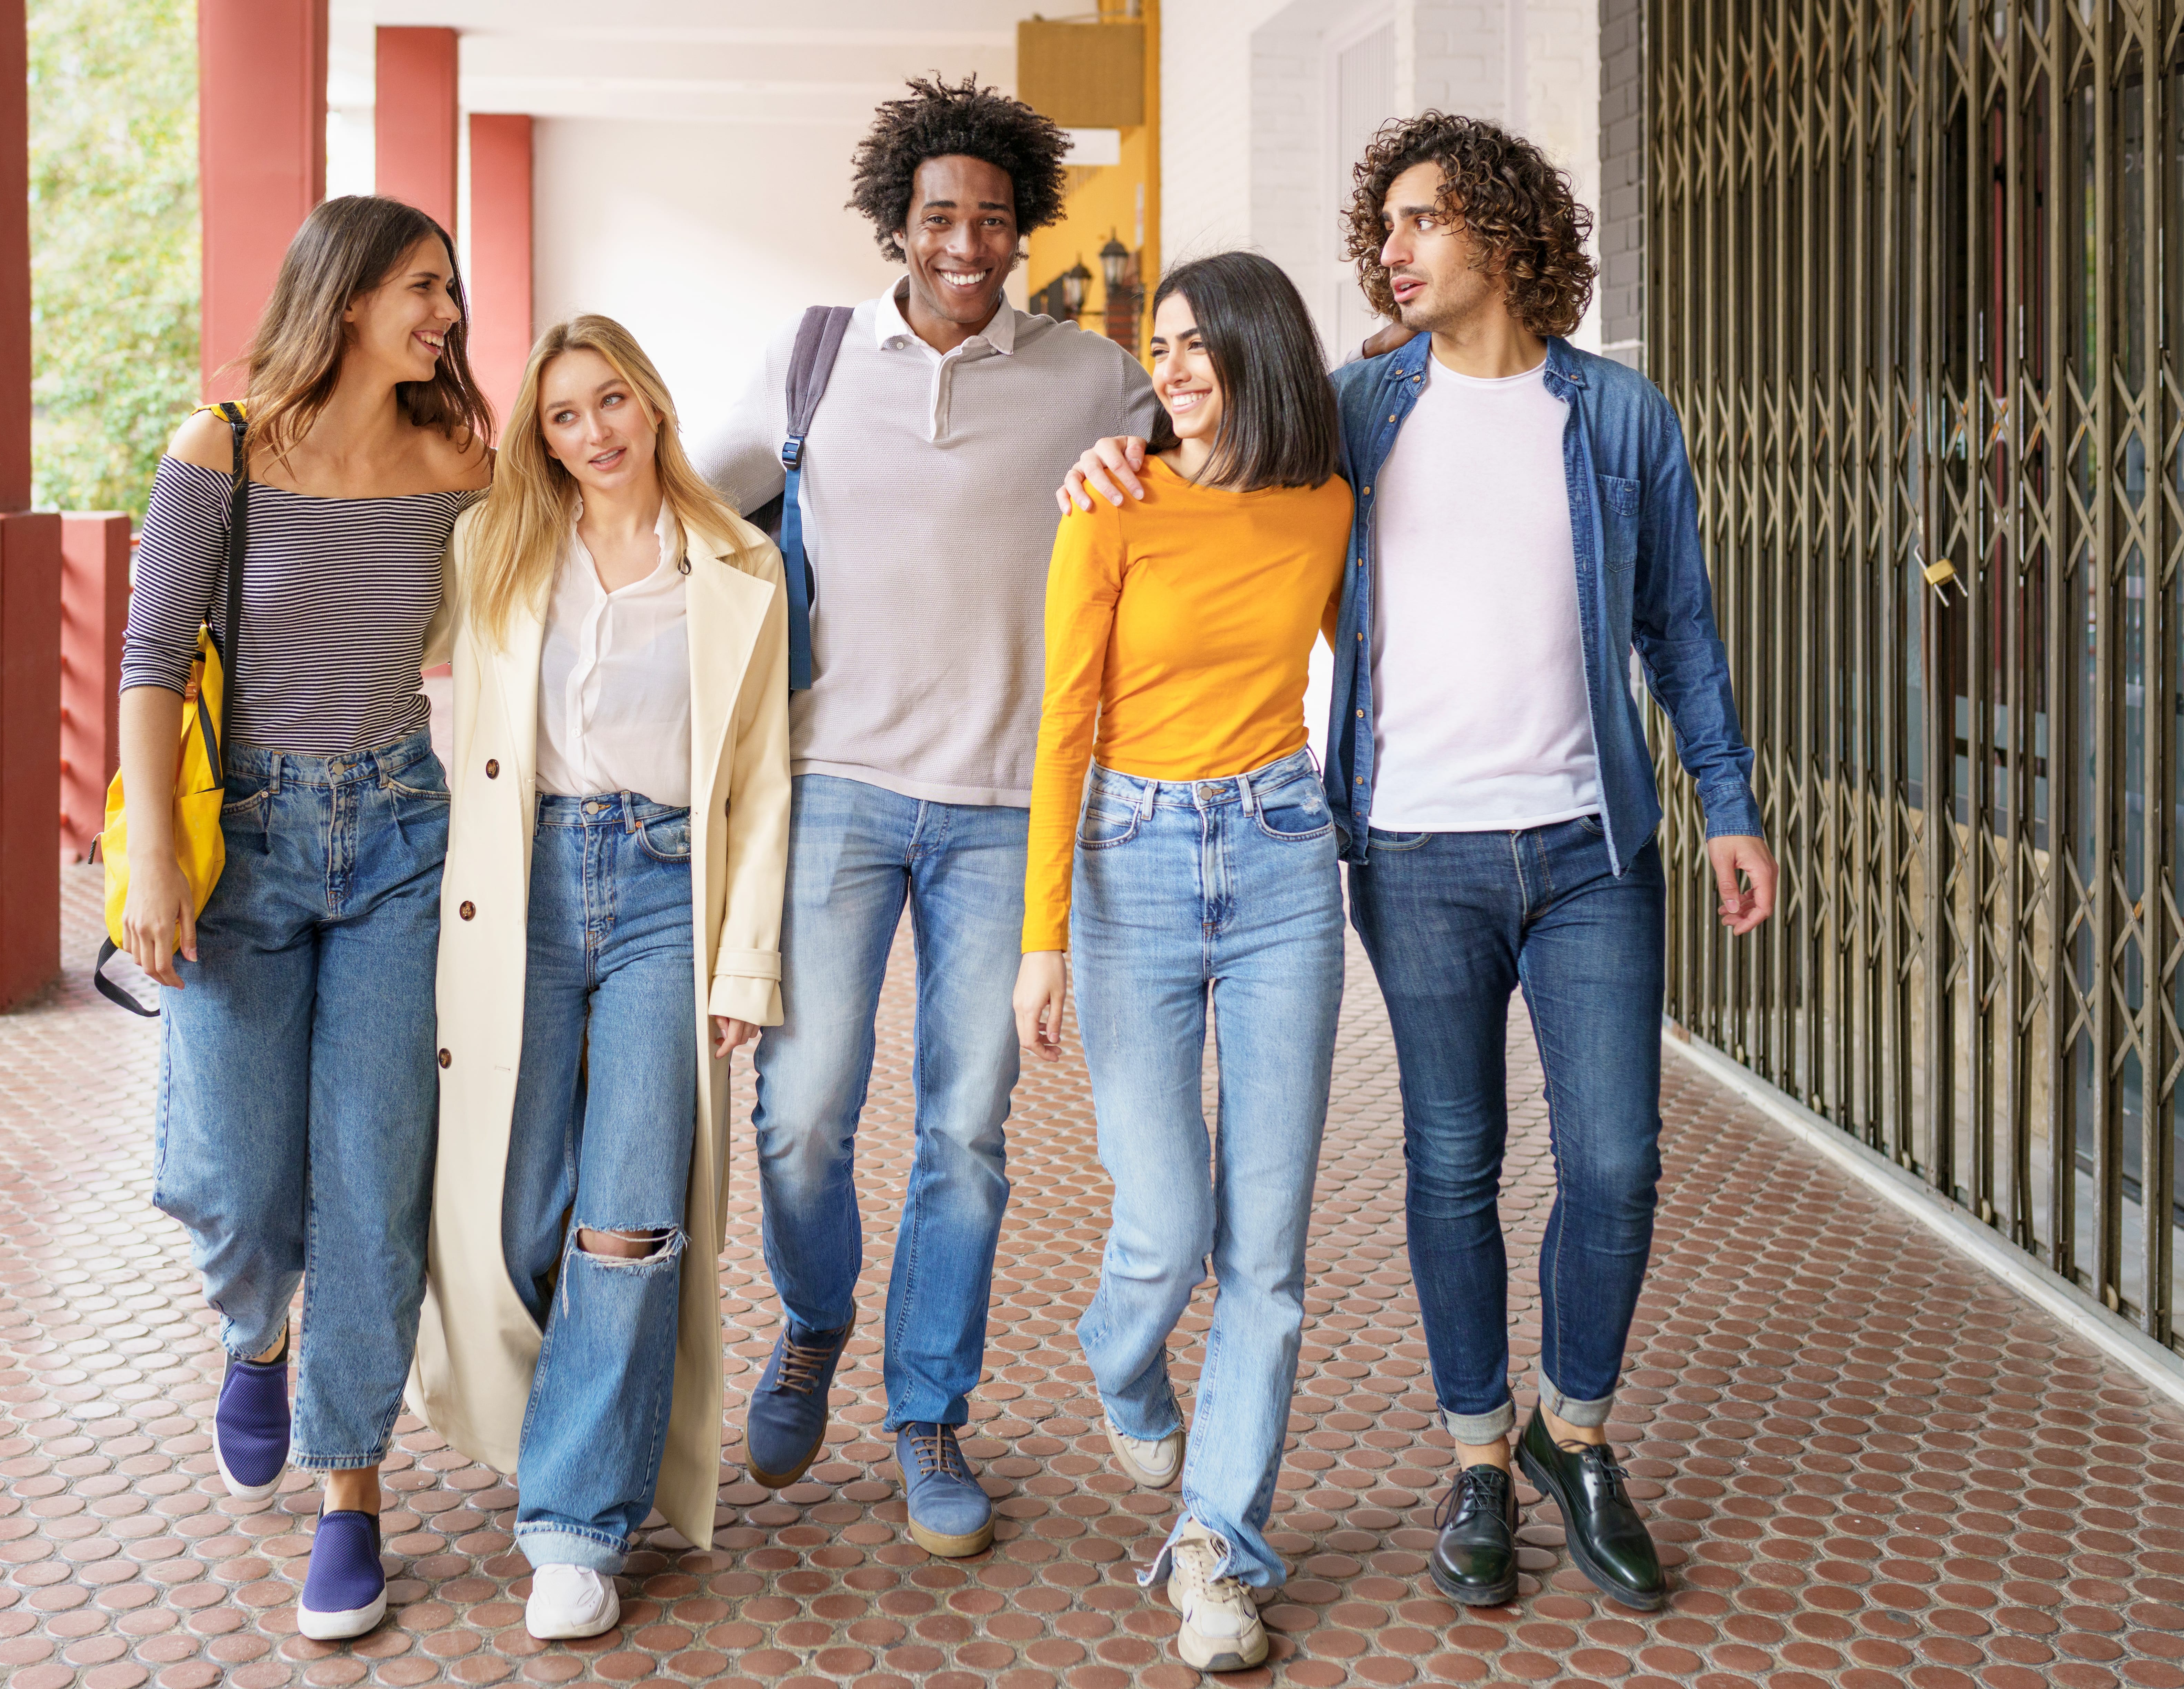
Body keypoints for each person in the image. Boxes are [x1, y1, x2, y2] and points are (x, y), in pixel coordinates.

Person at [1062, 112, 1777, 1616]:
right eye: (1379, 229)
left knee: (1614, 1159)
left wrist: (1727, 800)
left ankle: (1572, 1434)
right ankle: (1474, 1460)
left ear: (1505, 236)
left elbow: (1682, 633)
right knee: (1453, 1163)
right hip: (1411, 851)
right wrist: (1109, 459)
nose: (1387, 254)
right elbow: (1209, 455)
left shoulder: (1619, 419)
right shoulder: (1353, 411)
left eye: (1418, 223)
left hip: (1589, 848)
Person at [688, 74, 1158, 1557]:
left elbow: (1210, 489)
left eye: (994, 219)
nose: (967, 242)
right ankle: (816, 1323)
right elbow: (682, 514)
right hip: (837, 790)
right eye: (940, 216)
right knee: (801, 1113)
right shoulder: (811, 362)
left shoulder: (1093, 377)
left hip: (1010, 808)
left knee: (967, 1125)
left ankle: (925, 1406)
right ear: (896, 224)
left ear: (1024, 230)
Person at [115, 195, 493, 1642]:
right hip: (244, 848)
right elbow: (153, 654)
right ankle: (253, 1330)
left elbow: (547, 594)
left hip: (402, 833)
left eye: (450, 290)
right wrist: (158, 859)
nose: (448, 315)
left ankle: (353, 1494)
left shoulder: (458, 458)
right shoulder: (220, 446)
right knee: (232, 1175)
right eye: (422, 287)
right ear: (342, 300)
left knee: (373, 1175)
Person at [407, 316, 790, 1642]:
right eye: (563, 416)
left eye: (610, 400)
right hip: (524, 890)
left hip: (668, 897)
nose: (593, 434)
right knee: (513, 1209)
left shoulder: (737, 563)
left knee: (629, 1219)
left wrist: (747, 959)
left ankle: (576, 1521)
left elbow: (763, 779)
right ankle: (535, 1407)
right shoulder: (496, 547)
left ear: (651, 401)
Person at [1013, 252, 1351, 1674]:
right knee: (1166, 1222)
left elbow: (1388, 658)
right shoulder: (1110, 506)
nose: (1176, 368)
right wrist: (1040, 939)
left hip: (1282, 857)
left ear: (1263, 353)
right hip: (1129, 865)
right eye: (1160, 345)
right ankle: (1119, 1356)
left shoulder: (1326, 504)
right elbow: (1063, 725)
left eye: (1204, 344)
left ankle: (1217, 1547)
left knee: (1265, 1256)